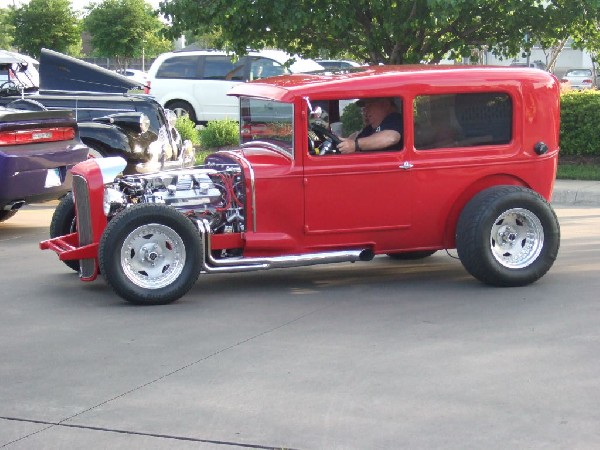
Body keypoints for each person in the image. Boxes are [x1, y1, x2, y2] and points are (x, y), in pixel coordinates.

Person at [338, 97, 402, 153]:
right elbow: (357, 138)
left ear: (384, 104)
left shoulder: (395, 119)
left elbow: (391, 138)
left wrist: (355, 145)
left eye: (369, 106)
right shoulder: (371, 128)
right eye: (364, 108)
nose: (366, 112)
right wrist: (342, 141)